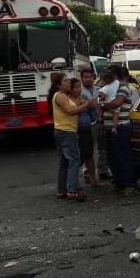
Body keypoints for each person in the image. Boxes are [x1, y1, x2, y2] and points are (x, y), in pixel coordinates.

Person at [52, 73, 96, 201]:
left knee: (65, 161)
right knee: (74, 160)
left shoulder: (64, 96)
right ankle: (72, 190)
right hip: (66, 131)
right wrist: (86, 105)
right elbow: (70, 111)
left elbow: (73, 107)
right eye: (65, 81)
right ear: (59, 84)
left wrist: (81, 103)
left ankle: (62, 190)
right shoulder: (60, 96)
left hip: (63, 130)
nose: (68, 83)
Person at [102, 65, 139, 196]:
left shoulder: (123, 88)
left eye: (109, 74)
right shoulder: (108, 88)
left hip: (121, 126)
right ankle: (119, 183)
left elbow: (117, 103)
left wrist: (101, 104)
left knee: (123, 156)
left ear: (116, 76)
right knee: (113, 157)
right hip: (109, 126)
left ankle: (129, 184)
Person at [79, 69, 101, 185]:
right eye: (85, 77)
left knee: (97, 148)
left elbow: (98, 104)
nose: (88, 79)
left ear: (94, 78)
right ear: (81, 78)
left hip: (98, 122)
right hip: (86, 124)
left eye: (90, 77)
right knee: (87, 149)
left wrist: (91, 104)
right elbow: (87, 106)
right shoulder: (79, 91)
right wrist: (91, 104)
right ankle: (87, 172)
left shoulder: (99, 89)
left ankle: (98, 171)